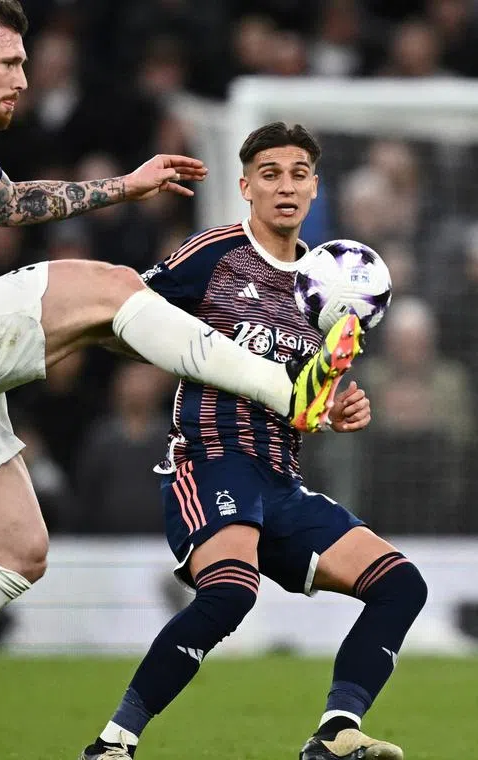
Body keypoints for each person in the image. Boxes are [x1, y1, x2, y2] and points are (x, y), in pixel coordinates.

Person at [0, 3, 352, 758]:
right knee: (109, 288)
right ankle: (282, 386)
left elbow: (9, 204)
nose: (25, 78)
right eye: (10, 62)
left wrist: (123, 188)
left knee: (18, 550)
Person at [77, 122, 427, 760]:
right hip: (209, 460)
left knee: (402, 584)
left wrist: (332, 410)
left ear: (316, 187)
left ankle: (334, 732)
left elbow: (300, 401)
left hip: (279, 478)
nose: (285, 186)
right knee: (234, 590)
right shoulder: (213, 254)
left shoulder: (329, 284)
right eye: (270, 174)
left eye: (298, 174)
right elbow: (122, 316)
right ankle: (113, 743)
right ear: (245, 186)